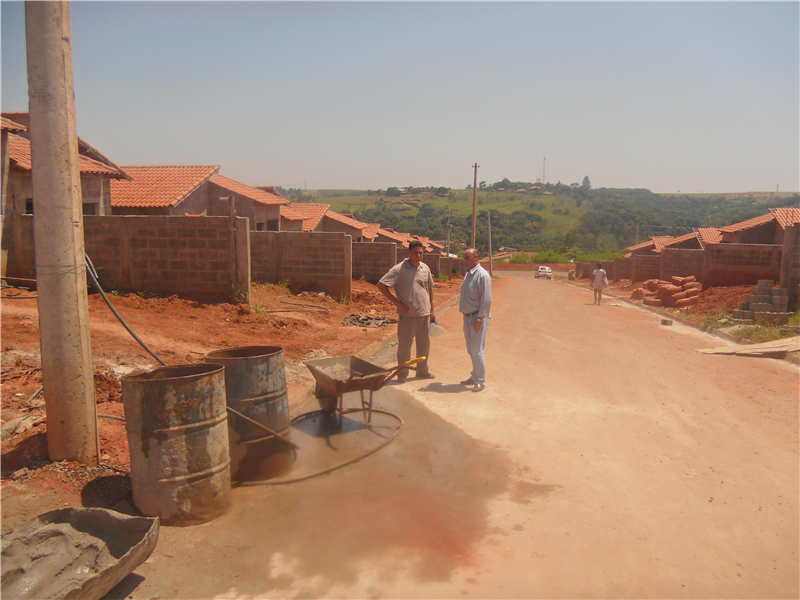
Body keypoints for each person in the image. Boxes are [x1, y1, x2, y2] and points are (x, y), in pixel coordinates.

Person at [376, 240, 436, 381]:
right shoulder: (399, 270)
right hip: (407, 316)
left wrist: (432, 309)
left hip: (424, 314)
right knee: (404, 347)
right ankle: (402, 374)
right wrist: (396, 303)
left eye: (421, 253)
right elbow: (381, 285)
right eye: (415, 253)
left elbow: (429, 289)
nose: (418, 255)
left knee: (424, 346)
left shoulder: (425, 268)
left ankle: (422, 371)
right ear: (409, 252)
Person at [459, 248, 492, 392]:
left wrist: (479, 319)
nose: (464, 260)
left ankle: (480, 380)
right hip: (468, 318)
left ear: (476, 257)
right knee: (471, 350)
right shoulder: (468, 274)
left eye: (467, 257)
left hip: (477, 318)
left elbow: (486, 300)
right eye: (464, 257)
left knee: (477, 351)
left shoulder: (482, 276)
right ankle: (474, 376)